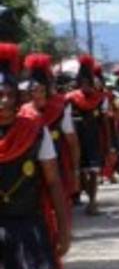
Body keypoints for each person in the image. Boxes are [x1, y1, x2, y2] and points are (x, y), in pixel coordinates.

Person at [0, 45, 71, 269]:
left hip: (29, 225)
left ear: (17, 96)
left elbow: (54, 181)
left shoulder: (36, 131)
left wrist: (65, 226)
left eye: (8, 94)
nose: (2, 100)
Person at [21, 53, 79, 209]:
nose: (38, 94)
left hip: (58, 163)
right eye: (34, 90)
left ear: (47, 90)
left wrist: (75, 172)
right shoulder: (22, 114)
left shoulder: (60, 108)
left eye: (41, 90)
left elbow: (72, 142)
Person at [65, 56, 111, 215]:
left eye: (88, 82)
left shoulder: (100, 99)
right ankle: (88, 197)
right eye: (82, 82)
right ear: (78, 82)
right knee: (82, 172)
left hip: (94, 138)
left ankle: (92, 202)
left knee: (93, 171)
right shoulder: (69, 99)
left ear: (92, 82)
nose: (85, 85)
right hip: (76, 140)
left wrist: (110, 143)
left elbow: (105, 123)